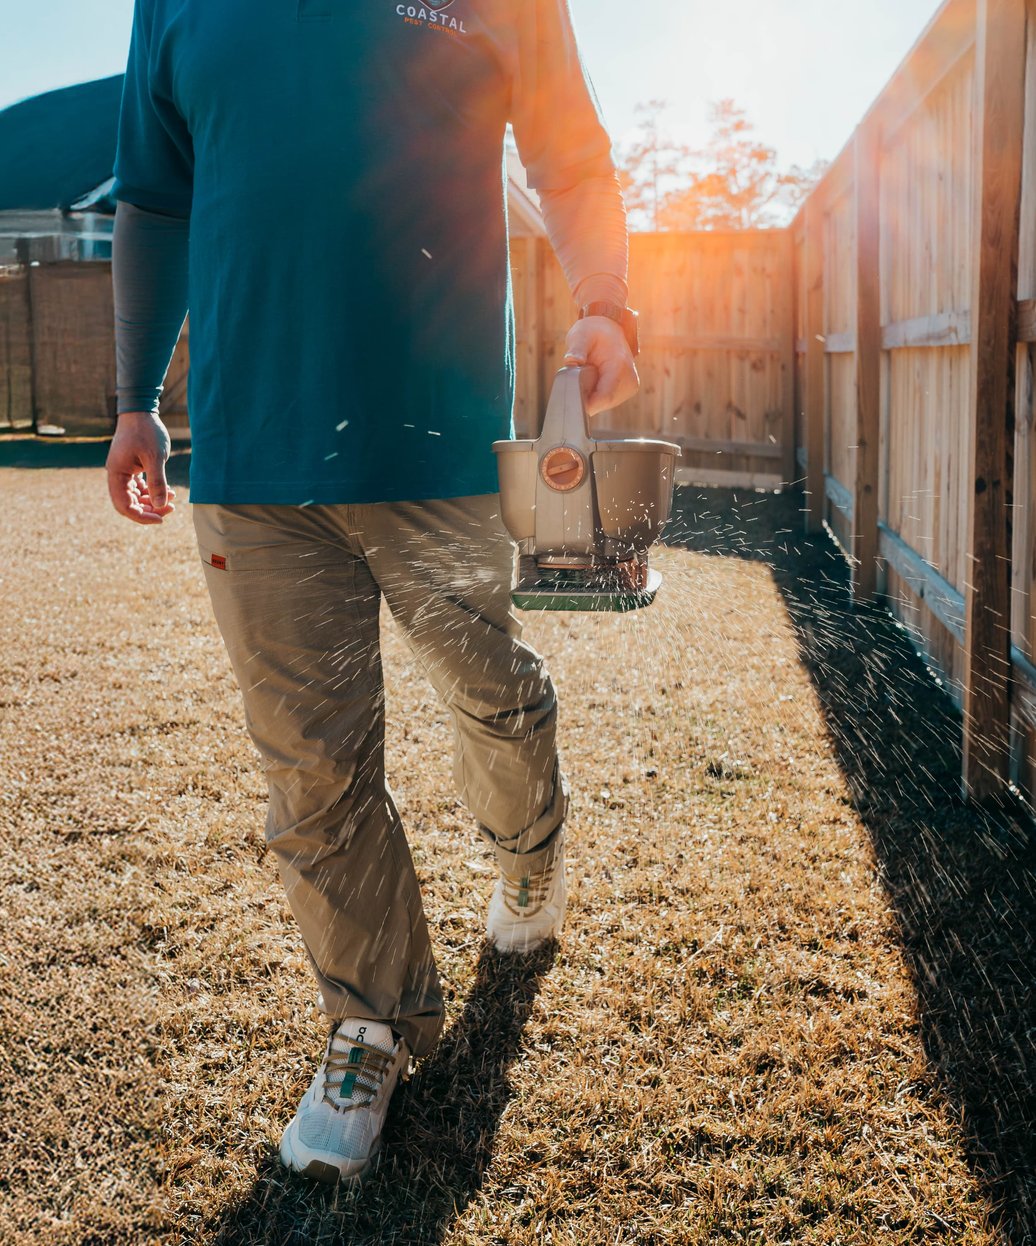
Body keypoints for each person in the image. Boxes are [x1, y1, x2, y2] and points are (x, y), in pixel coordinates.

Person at [106, 0, 639, 1185]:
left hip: (438, 448)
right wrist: (135, 392)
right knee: (309, 766)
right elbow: (152, 194)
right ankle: (371, 1024)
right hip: (253, 462)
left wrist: (604, 295)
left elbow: (568, 147)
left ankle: (528, 848)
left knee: (491, 689)